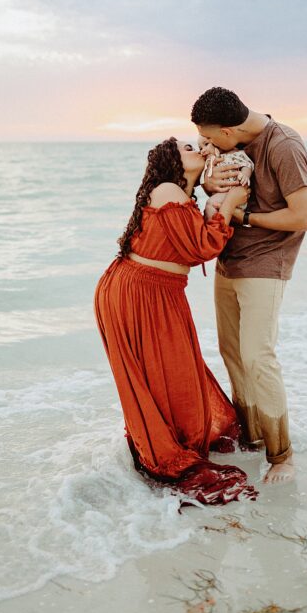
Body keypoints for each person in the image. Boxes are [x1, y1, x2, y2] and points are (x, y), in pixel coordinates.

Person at [94, 137, 256, 505]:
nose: (196, 148)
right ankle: (165, 447)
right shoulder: (167, 189)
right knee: (168, 372)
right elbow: (202, 248)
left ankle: (172, 437)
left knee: (171, 371)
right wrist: (230, 203)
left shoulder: (179, 194)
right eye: (186, 148)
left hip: (154, 292)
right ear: (173, 163)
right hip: (139, 293)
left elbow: (196, 240)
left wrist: (215, 194)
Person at [192, 87, 307, 484]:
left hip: (266, 262)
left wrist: (244, 217)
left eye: (211, 137)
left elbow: (305, 216)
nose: (206, 143)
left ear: (229, 129)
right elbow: (216, 186)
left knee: (257, 356)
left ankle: (283, 456)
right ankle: (252, 436)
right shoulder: (230, 145)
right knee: (232, 353)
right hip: (230, 260)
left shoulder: (283, 146)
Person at [197, 135, 254, 222]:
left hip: (234, 193)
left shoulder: (234, 154)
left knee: (210, 204)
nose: (203, 150)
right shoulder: (210, 162)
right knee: (212, 206)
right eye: (200, 148)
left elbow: (247, 165)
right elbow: (204, 181)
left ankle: (212, 230)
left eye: (206, 144)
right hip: (224, 195)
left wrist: (245, 175)